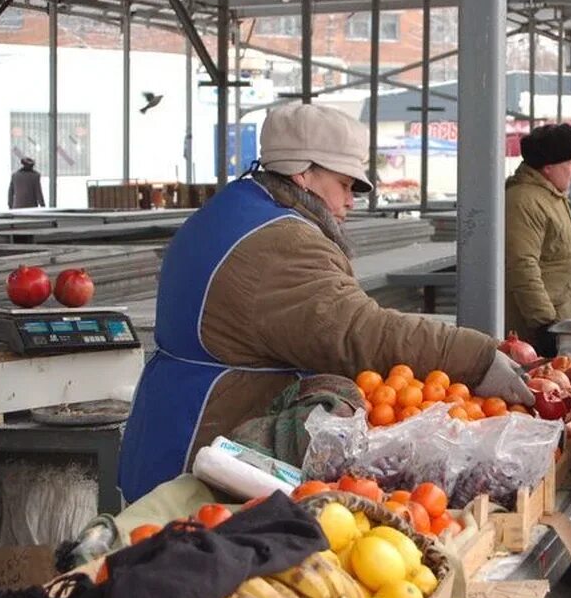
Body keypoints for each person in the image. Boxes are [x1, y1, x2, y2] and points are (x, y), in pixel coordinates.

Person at [118, 104, 533, 502]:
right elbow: (359, 334)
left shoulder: (237, 209)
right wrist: (476, 358)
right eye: (345, 185)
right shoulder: (282, 243)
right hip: (206, 446)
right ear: (303, 173)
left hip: (173, 425)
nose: (352, 201)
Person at [505, 123, 571, 357]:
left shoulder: (552, 197)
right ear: (548, 168)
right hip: (535, 334)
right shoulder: (524, 201)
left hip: (557, 321)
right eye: (570, 163)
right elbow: (522, 265)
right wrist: (544, 326)